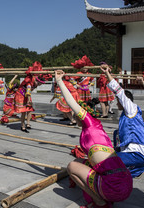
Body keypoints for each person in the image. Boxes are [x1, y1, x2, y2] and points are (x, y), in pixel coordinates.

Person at [55, 70, 132, 208]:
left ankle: (100, 201)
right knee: (78, 161)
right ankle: (102, 193)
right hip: (126, 182)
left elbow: (70, 101)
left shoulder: (88, 122)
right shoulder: (98, 126)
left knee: (71, 167)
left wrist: (59, 81)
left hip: (113, 186)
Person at [101, 65, 144, 178]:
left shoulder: (131, 108)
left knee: (106, 165)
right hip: (139, 151)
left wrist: (107, 74)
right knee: (116, 134)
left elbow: (119, 92)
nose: (117, 103)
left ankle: (137, 166)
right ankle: (138, 168)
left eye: (118, 101)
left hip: (139, 152)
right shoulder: (127, 114)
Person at [14, 62, 45, 132]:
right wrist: (28, 100)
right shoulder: (29, 82)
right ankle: (23, 126)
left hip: (26, 95)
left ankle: (28, 123)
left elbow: (29, 93)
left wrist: (29, 100)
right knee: (23, 111)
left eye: (40, 84)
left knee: (30, 110)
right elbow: (28, 93)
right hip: (21, 95)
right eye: (39, 83)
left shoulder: (35, 83)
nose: (39, 85)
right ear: (36, 80)